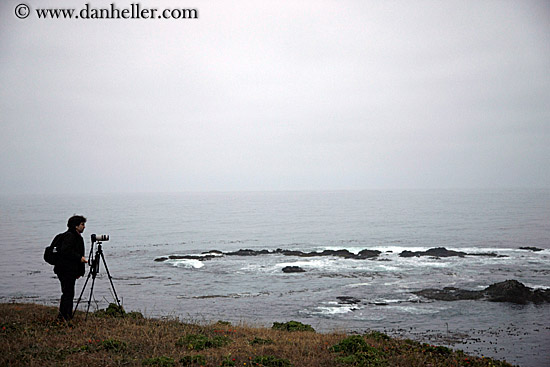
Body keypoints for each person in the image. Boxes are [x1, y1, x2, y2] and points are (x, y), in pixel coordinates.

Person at [54, 215, 88, 321]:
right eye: (82, 224)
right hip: (65, 270)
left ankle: (65, 315)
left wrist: (78, 270)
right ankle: (65, 316)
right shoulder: (70, 236)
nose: (84, 227)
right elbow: (66, 251)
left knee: (68, 293)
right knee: (68, 293)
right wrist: (80, 258)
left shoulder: (73, 236)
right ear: (76, 226)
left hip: (67, 269)